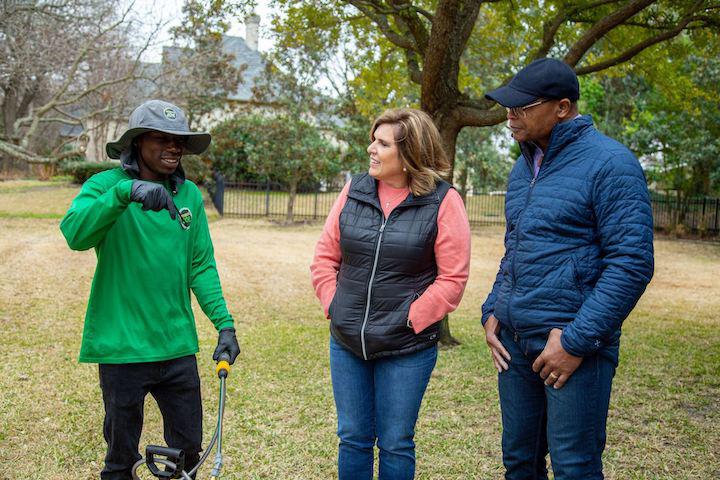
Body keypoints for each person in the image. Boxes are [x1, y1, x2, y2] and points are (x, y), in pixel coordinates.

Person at [480, 58, 655, 479]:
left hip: (573, 346)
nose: (510, 115)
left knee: (574, 467)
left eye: (522, 107)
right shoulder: (523, 169)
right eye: (508, 106)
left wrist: (575, 342)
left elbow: (631, 264)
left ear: (561, 107)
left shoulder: (612, 164)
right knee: (519, 463)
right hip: (516, 345)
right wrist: (493, 310)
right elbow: (515, 248)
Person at [60, 99, 240, 480]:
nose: (174, 148)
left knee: (187, 453)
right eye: (163, 139)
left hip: (176, 345)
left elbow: (200, 265)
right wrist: (126, 194)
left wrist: (224, 324)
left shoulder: (188, 195)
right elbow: (75, 234)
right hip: (122, 347)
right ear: (137, 142)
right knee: (121, 458)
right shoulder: (106, 186)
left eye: (180, 141)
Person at [310, 108, 471, 480]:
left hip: (406, 347)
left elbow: (453, 279)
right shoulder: (354, 189)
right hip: (347, 340)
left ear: (410, 152)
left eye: (382, 143)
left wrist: (408, 318)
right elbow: (324, 257)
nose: (371, 148)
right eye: (373, 139)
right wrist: (334, 304)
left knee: (396, 441)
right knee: (352, 437)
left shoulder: (444, 201)